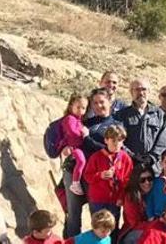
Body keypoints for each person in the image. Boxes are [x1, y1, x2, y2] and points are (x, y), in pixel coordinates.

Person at [63, 88, 121, 238]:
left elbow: (112, 150)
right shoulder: (85, 122)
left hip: (99, 177)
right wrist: (65, 146)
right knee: (73, 214)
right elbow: (69, 136)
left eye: (102, 102)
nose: (98, 106)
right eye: (94, 103)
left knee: (99, 218)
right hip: (75, 171)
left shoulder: (117, 124)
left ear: (110, 102)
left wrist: (88, 139)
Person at [84, 125, 132, 240]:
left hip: (115, 200)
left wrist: (121, 197)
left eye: (119, 140)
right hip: (98, 200)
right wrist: (100, 175)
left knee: (112, 228)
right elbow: (87, 176)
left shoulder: (125, 158)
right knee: (98, 228)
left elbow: (127, 180)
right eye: (113, 140)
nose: (116, 144)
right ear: (106, 140)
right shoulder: (96, 157)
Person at [115, 79, 166, 175]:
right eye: (137, 90)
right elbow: (118, 139)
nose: (141, 93)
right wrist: (132, 156)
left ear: (149, 92)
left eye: (144, 89)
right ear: (131, 92)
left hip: (154, 169)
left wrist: (151, 158)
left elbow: (162, 142)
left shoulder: (159, 115)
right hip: (129, 166)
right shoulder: (122, 115)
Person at [61, 94, 90, 196]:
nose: (80, 110)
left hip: (77, 146)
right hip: (73, 147)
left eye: (83, 108)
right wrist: (83, 133)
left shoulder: (78, 120)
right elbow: (72, 132)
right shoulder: (69, 118)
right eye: (78, 107)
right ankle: (75, 182)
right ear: (71, 106)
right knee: (81, 161)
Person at [120, 167, 154, 243]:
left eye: (149, 179)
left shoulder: (155, 192)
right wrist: (155, 224)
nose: (147, 182)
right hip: (133, 232)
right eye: (142, 180)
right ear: (136, 181)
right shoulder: (131, 197)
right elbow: (135, 224)